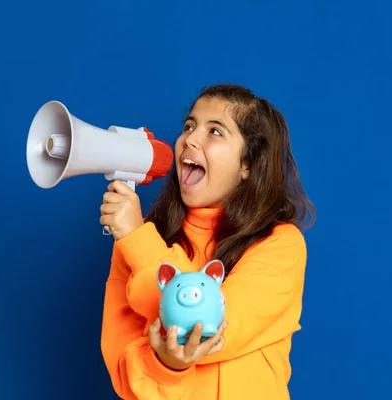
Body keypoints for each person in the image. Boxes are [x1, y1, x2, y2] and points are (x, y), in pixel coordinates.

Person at [98, 83, 315, 400]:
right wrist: (167, 365)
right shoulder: (137, 241)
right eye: (189, 126)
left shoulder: (280, 243)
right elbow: (122, 363)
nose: (189, 139)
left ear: (247, 165)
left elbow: (214, 324)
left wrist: (136, 238)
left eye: (215, 132)